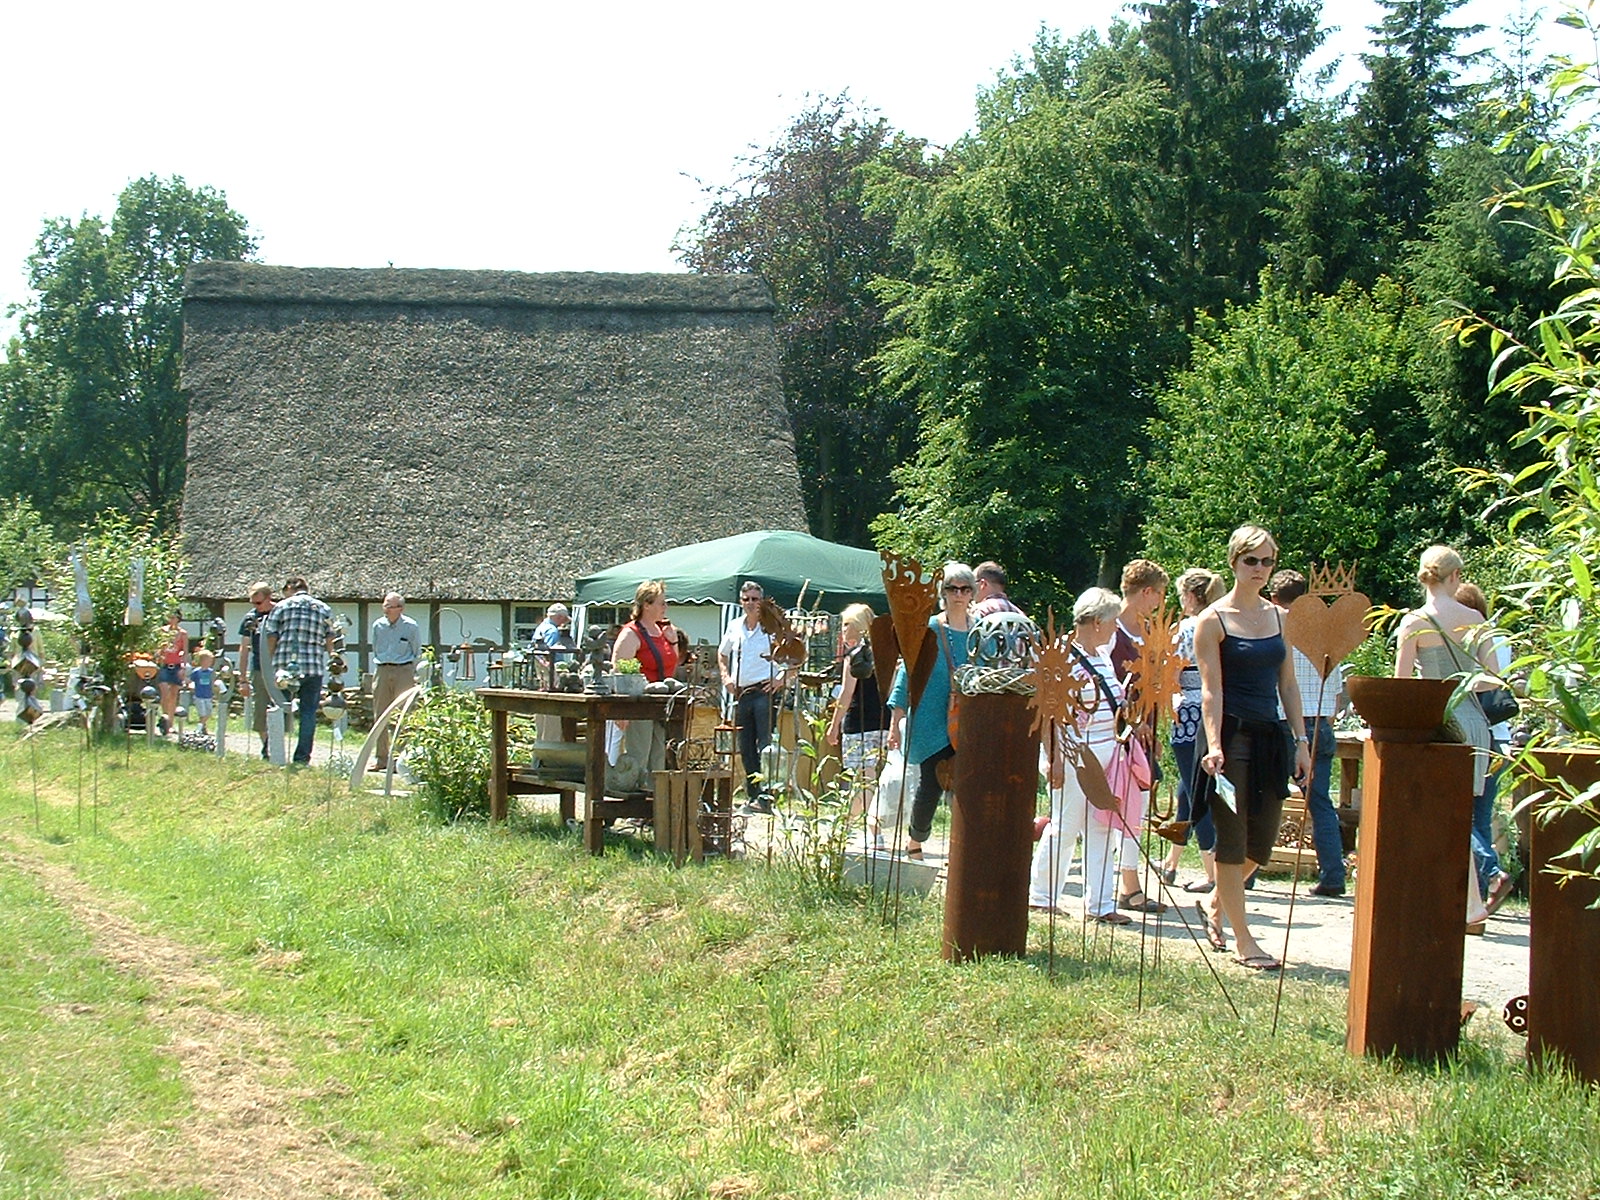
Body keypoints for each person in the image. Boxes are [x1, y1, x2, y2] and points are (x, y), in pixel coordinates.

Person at [1195, 525, 1312, 971]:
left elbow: (1288, 684)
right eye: (1251, 561)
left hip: (1270, 735)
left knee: (1260, 845)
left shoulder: (1281, 618)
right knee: (1232, 837)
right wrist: (1212, 743)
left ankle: (1218, 900)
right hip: (1229, 737)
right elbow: (1211, 690)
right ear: (1234, 563)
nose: (1260, 569)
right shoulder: (1214, 619)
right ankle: (1245, 939)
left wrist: (1300, 741)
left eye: (1267, 561)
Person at [1393, 546, 1503, 930]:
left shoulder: (1413, 622)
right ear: (1455, 577)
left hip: (1436, 720)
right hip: (1473, 723)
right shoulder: (1474, 618)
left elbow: (1403, 684)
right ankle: (1468, 903)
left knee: (1435, 816)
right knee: (1463, 816)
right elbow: (1493, 678)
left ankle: (1464, 903)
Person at [1028, 587, 1127, 922]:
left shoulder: (1101, 653)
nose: (1116, 627)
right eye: (1113, 620)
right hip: (1073, 754)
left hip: (1107, 753)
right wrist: (1052, 758)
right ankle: (1042, 895)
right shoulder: (1062, 656)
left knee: (1102, 827)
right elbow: (1048, 712)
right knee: (1064, 825)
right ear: (1097, 621)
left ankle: (1101, 905)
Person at [885, 562, 975, 858]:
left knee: (968, 782)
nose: (958, 594)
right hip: (930, 716)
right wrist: (895, 721)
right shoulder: (930, 629)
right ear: (943, 593)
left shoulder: (980, 631)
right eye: (952, 588)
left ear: (972, 593)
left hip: (968, 719)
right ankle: (915, 842)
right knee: (932, 781)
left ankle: (963, 849)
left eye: (964, 588)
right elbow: (907, 673)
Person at [1269, 569, 1349, 898]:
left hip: (1286, 723)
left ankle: (1246, 873)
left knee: (1268, 797)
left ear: (1275, 600)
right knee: (1320, 803)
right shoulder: (1325, 637)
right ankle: (1333, 873)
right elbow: (1341, 691)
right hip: (1322, 723)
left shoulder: (1276, 632)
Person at [1110, 558, 1171, 914]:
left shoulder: (1148, 634)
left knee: (1137, 808)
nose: (1160, 602)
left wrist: (1153, 726)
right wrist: (1133, 720)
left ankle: (1128, 883)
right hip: (1117, 735)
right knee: (1109, 812)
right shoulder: (1111, 632)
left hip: (1143, 736)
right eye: (1159, 594)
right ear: (1146, 592)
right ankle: (1119, 886)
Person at [1454, 581, 1516, 916]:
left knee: (1463, 817)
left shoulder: (1463, 637)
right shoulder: (1502, 639)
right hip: (1500, 737)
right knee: (1480, 816)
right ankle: (1477, 897)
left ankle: (1489, 877)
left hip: (1475, 734)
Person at [1160, 568, 1223, 893]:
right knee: (1188, 789)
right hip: (1215, 711)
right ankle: (1172, 861)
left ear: (1190, 596)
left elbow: (1171, 670)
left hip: (1187, 711)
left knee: (1199, 792)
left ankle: (1213, 872)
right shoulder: (1221, 622)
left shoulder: (1185, 628)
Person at [718, 581, 794, 815]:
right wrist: (726, 677)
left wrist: (782, 678)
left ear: (762, 601)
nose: (751, 603)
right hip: (742, 692)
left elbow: (797, 654)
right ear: (741, 602)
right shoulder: (734, 626)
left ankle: (767, 796)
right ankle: (753, 795)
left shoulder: (772, 626)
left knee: (766, 745)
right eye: (746, 599)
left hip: (764, 690)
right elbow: (722, 654)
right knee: (745, 745)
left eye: (755, 599)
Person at [608, 580, 680, 793]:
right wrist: (622, 709)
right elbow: (619, 670)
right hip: (639, 703)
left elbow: (672, 665)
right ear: (647, 605)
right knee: (639, 755)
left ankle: (653, 807)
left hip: (662, 704)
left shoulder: (663, 631)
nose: (665, 608)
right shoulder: (631, 633)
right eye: (661, 603)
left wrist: (674, 642)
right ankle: (631, 805)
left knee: (659, 756)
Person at [826, 603, 887, 844]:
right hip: (881, 721)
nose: (843, 630)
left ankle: (864, 829)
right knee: (869, 778)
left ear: (859, 627)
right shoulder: (884, 654)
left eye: (846, 624)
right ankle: (858, 827)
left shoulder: (854, 657)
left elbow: (846, 695)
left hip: (858, 723)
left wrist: (833, 726)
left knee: (864, 779)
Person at [263, 575, 336, 766]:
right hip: (313, 667)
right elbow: (331, 638)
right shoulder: (323, 608)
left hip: (286, 666)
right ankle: (302, 757)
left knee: (279, 707)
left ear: (289, 589)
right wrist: (333, 658)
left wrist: (270, 660)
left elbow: (272, 636)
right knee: (308, 713)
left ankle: (273, 751)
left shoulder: (282, 606)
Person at [369, 592, 421, 771]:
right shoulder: (378, 625)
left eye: (391, 606)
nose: (387, 610)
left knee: (404, 715)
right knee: (380, 714)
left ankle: (398, 760)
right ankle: (381, 758)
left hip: (403, 670)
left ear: (400, 608)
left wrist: (411, 673)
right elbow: (375, 648)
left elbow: (416, 651)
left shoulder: (411, 626)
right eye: (385, 605)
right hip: (382, 669)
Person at [237, 582, 279, 759]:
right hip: (258, 668)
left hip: (279, 668)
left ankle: (277, 746)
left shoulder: (280, 614)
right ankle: (266, 746)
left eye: (258, 603)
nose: (255, 607)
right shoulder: (250, 618)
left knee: (279, 708)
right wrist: (243, 678)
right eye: (253, 603)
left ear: (268, 598)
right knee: (260, 709)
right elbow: (244, 648)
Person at [155, 607, 189, 737]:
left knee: (174, 694)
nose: (172, 619)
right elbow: (158, 647)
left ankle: (171, 722)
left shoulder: (183, 634)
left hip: (176, 665)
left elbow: (185, 651)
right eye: (170, 617)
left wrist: (183, 667)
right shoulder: (162, 632)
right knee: (164, 692)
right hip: (164, 665)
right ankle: (164, 720)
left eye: (174, 617)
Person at [189, 648, 217, 736]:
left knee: (208, 713)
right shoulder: (196, 672)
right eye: (208, 660)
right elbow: (190, 680)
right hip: (199, 695)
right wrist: (190, 685)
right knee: (202, 713)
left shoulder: (212, 672)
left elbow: (214, 682)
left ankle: (202, 727)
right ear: (203, 661)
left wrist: (215, 692)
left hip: (208, 695)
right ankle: (199, 729)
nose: (210, 663)